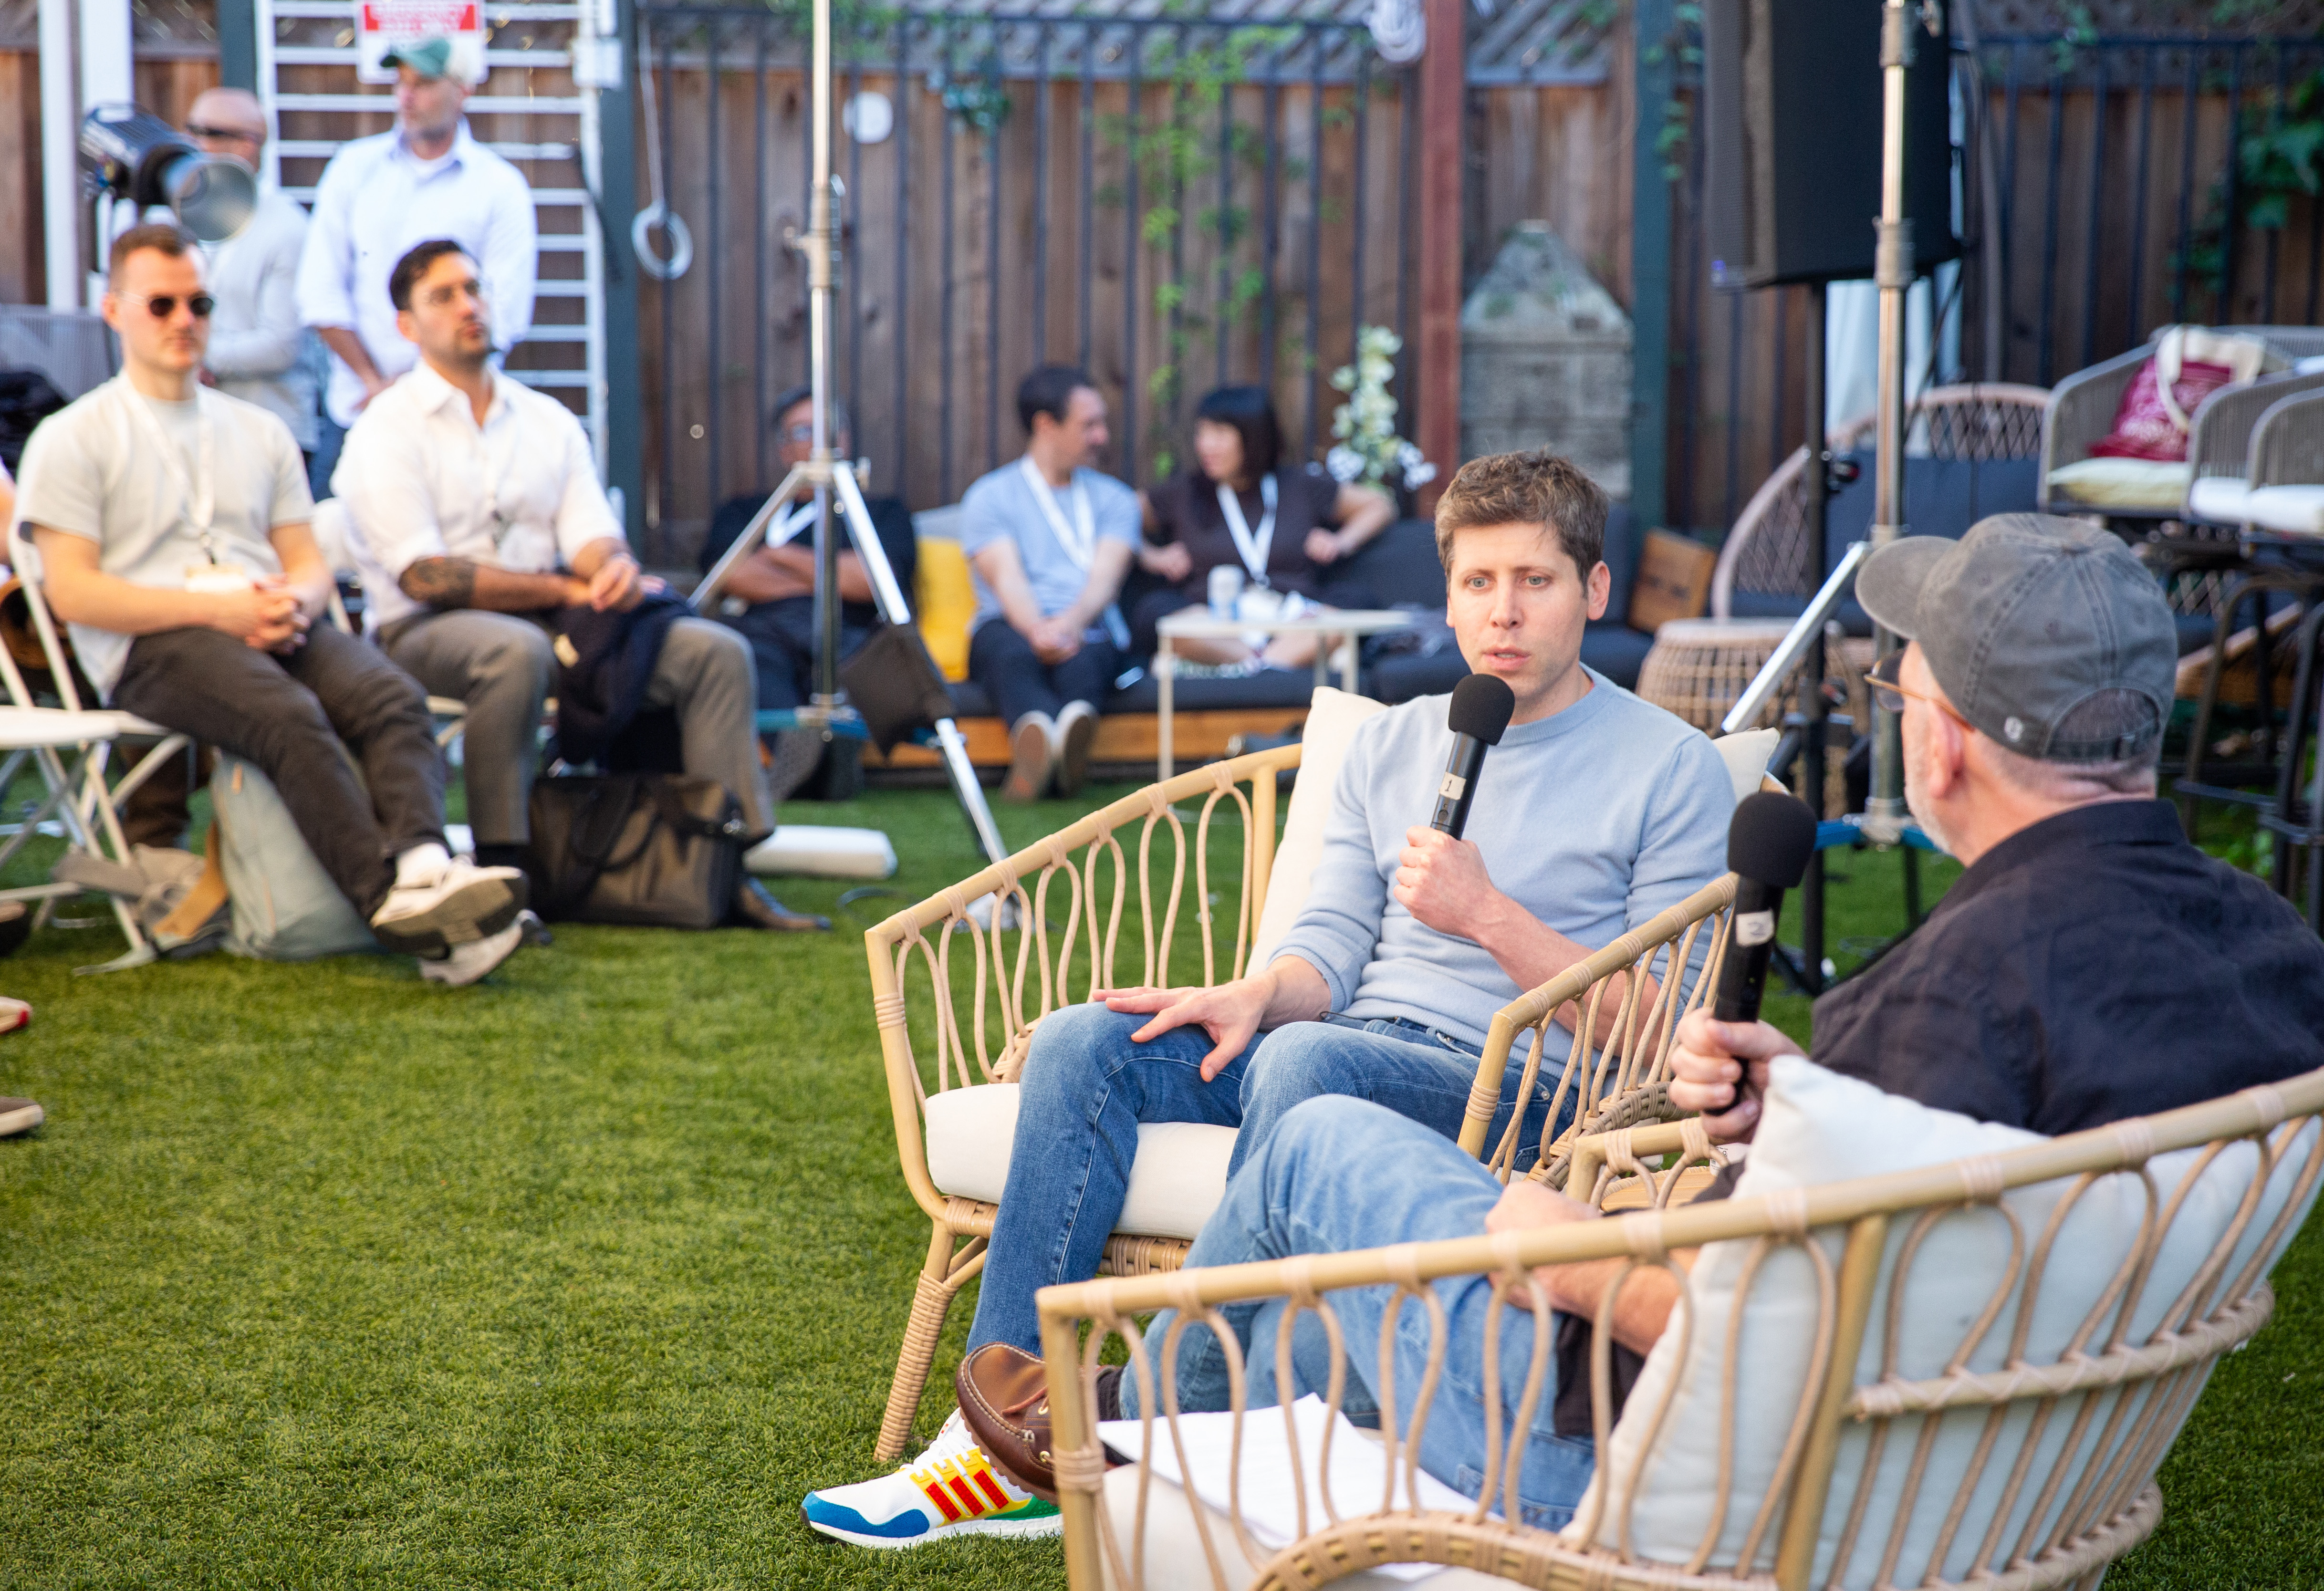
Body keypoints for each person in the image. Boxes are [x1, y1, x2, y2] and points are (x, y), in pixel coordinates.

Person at [967, 511, 2324, 1534]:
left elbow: (1771, 1335)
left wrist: (1567, 1250)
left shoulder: (1960, 990)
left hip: (1657, 1459)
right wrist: (1808, 1092)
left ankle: (1113, 1434)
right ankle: (1151, 1439)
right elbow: (1942, 1175)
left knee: (1319, 1142)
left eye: (1899, 690)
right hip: (1970, 1469)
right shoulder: (2272, 952)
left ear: (1945, 742)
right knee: (1298, 1299)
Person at [799, 448, 1738, 1549]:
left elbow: (1662, 1034)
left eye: (1532, 580)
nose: (1502, 611)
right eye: (1476, 582)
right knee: (1080, 1043)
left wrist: (1487, 915)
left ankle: (1173, 1430)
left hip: (1523, 1081)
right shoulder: (1395, 740)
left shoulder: (1670, 767)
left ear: (1591, 591)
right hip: (1344, 1041)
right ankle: (1002, 1432)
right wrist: (1252, 993)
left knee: (1304, 1066)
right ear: (1447, 593)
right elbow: (1327, 948)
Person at [13, 224, 529, 986]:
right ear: (113, 309)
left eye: (200, 302)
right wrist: (222, 614)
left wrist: (294, 600)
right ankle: (393, 907)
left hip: (269, 620)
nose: (185, 319)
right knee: (289, 716)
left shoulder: (261, 430)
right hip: (148, 644)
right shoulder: (72, 435)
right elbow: (73, 590)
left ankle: (426, 869)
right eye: (162, 304)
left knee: (390, 693)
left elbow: (308, 564)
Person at [332, 241, 825, 934]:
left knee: (712, 650)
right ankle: (510, 872)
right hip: (422, 632)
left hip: (561, 625)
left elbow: (591, 533)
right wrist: (564, 586)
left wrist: (614, 567)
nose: (468, 304)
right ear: (405, 326)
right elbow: (427, 576)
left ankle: (723, 866)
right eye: (442, 295)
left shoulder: (546, 421)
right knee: (513, 652)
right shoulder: (384, 428)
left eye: (473, 287)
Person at [295, 35, 535, 484]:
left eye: (422, 83)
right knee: (337, 546)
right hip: (359, 412)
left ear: (463, 90)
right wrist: (375, 384)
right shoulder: (353, 167)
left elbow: (506, 311)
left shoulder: (500, 186)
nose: (406, 96)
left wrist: (413, 392)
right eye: (400, 82)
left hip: (458, 420)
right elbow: (318, 290)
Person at [698, 386, 919, 800]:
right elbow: (728, 573)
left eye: (829, 429)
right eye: (804, 431)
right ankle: (813, 764)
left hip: (844, 635)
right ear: (783, 450)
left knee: (844, 649)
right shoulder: (746, 511)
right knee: (747, 652)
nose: (820, 440)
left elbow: (873, 582)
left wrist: (778, 556)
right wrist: (830, 576)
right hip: (763, 636)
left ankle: (818, 765)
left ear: (846, 439)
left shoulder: (880, 512)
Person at [960, 366, 1140, 802]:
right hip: (1010, 622)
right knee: (1008, 653)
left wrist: (1069, 625)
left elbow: (1104, 580)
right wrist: (1039, 628)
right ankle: (1049, 741)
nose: (1102, 436)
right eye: (1089, 425)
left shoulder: (1116, 499)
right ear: (1046, 425)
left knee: (1088, 657)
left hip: (1088, 623)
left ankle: (1050, 746)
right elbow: (1007, 579)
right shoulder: (990, 497)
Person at [1133, 385, 1394, 668]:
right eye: (1202, 433)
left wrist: (1341, 542)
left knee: (1358, 602)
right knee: (1154, 612)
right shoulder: (1185, 491)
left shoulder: (1299, 485)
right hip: (1215, 623)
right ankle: (1264, 666)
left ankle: (1259, 666)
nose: (1205, 446)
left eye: (1219, 434)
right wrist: (1153, 557)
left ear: (1254, 438)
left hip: (1292, 619)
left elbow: (1379, 505)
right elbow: (1117, 519)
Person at [184, 89, 321, 470]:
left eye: (207, 132)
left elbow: (280, 344)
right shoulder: (175, 215)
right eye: (190, 130)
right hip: (194, 428)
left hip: (269, 434)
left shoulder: (286, 227)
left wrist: (198, 354)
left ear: (248, 145)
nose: (193, 143)